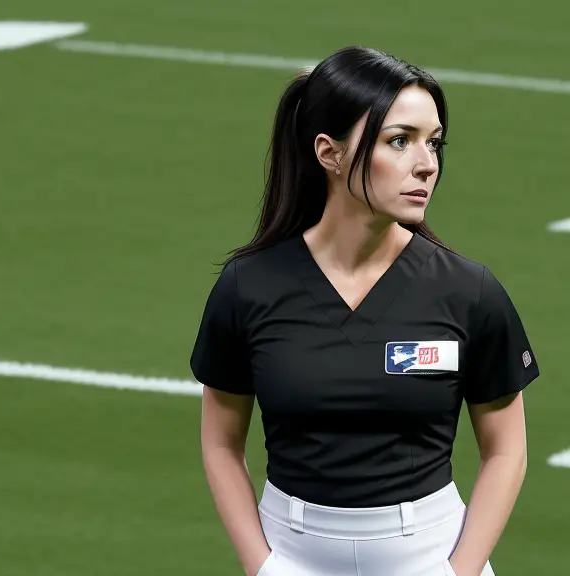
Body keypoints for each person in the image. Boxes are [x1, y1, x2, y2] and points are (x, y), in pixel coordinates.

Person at [190, 45, 540, 576]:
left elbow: (506, 450)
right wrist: (263, 566)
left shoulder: (469, 291)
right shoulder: (248, 287)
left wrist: (458, 571)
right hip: (292, 553)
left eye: (434, 143)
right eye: (400, 141)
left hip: (432, 555)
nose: (427, 164)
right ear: (329, 153)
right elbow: (220, 441)